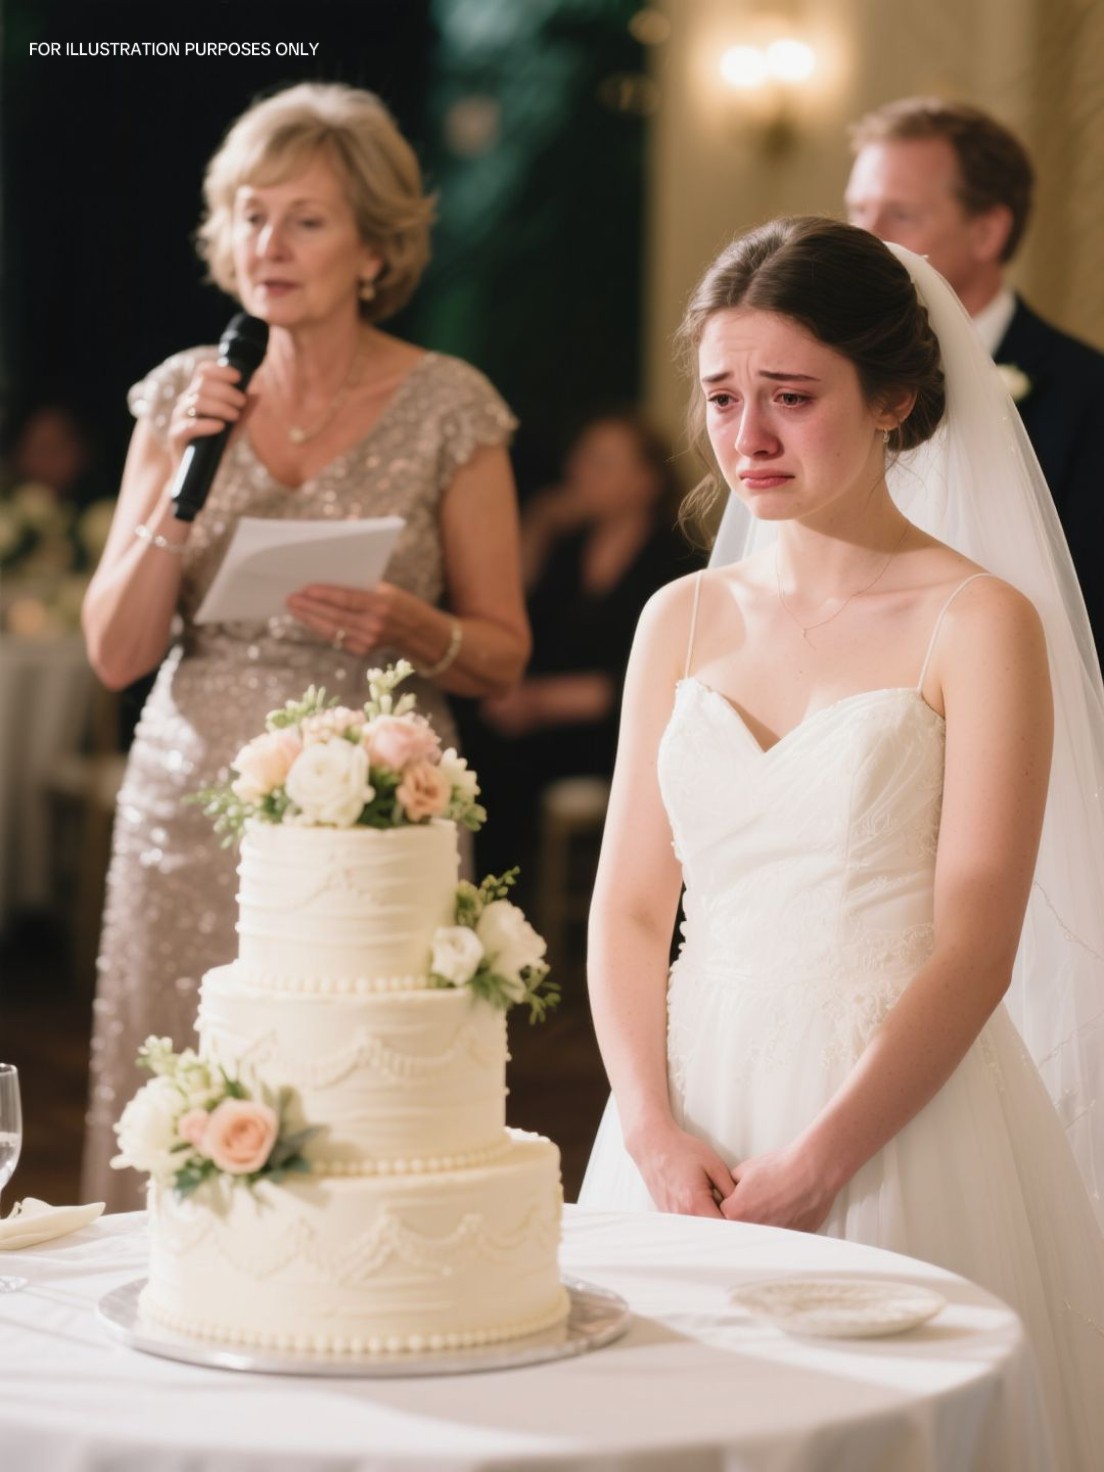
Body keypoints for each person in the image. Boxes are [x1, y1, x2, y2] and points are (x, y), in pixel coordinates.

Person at [579, 218, 1104, 1466]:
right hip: (687, 1104)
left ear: (894, 399)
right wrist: (650, 1126)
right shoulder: (680, 616)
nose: (748, 437)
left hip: (895, 1112)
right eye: (723, 396)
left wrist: (824, 1159)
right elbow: (631, 907)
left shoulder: (980, 619)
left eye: (792, 396)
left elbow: (978, 944)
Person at [80, 83, 530, 1210]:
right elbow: (115, 654)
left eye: (306, 220)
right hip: (188, 802)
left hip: (379, 811)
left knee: (363, 1108)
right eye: (251, 214)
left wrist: (417, 627)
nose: (268, 245)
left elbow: (503, 654)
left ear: (375, 249)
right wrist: (180, 489)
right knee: (184, 1085)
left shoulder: (450, 407)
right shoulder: (183, 395)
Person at [845, 96, 1104, 652]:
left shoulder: (1088, 393)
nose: (866, 236)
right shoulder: (826, 384)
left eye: (901, 214)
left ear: (988, 232)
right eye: (858, 209)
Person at [467, 412, 697, 881]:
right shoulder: (569, 550)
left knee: (506, 766)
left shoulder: (677, 560)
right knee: (474, 740)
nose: (581, 472)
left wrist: (544, 702)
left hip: (626, 726)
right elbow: (519, 617)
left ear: (648, 481)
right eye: (582, 459)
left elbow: (671, 674)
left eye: (603, 463)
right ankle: (487, 893)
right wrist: (539, 524)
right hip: (550, 719)